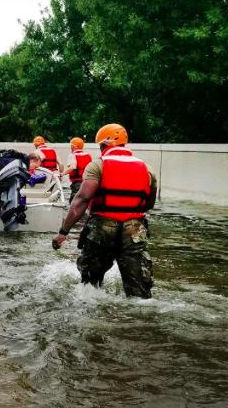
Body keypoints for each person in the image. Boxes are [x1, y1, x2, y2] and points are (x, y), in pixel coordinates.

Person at [52, 123, 158, 299]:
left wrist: (63, 232)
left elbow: (82, 200)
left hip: (103, 226)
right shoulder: (147, 169)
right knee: (139, 291)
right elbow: (148, 204)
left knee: (90, 286)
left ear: (103, 145)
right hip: (134, 229)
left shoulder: (98, 165)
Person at [61, 137, 92, 203]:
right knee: (84, 202)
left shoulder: (72, 155)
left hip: (78, 183)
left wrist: (62, 174)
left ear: (73, 146)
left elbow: (73, 167)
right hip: (88, 182)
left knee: (73, 204)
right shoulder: (88, 155)